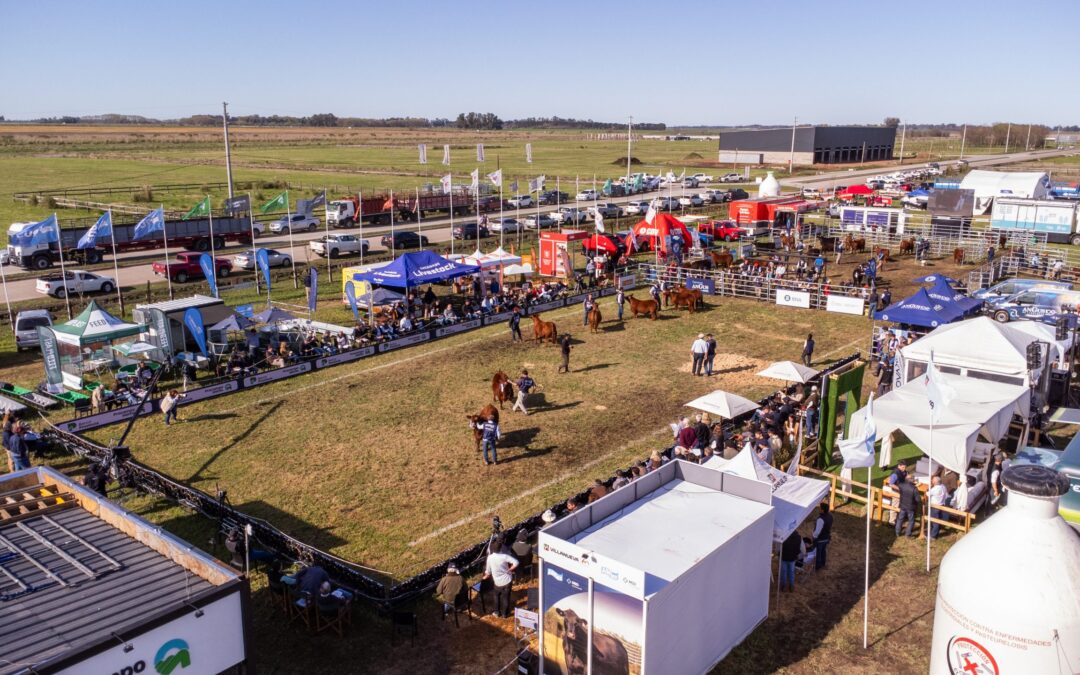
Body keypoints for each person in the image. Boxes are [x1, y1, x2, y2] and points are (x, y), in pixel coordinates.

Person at [483, 542, 518, 619]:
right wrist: (510, 569)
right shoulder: (504, 556)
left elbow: (488, 571)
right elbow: (516, 562)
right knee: (506, 597)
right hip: (507, 580)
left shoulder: (490, 558)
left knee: (496, 596)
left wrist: (485, 576)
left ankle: (496, 612)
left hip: (497, 582)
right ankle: (505, 614)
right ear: (500, 549)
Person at [895, 473, 919, 537]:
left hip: (902, 505)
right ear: (910, 480)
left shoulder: (901, 485)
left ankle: (897, 532)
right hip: (911, 507)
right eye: (913, 479)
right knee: (911, 520)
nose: (914, 480)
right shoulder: (914, 489)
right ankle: (908, 534)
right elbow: (918, 499)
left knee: (900, 519)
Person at [812, 503, 832, 570]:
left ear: (822, 510)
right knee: (824, 551)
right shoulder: (830, 516)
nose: (819, 509)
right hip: (826, 537)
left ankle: (818, 566)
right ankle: (823, 563)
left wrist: (813, 537)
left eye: (820, 508)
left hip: (820, 539)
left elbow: (817, 531)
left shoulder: (820, 519)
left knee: (818, 553)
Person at [928, 475, 947, 539]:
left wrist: (930, 488)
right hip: (941, 505)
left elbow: (928, 494)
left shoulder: (935, 489)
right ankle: (935, 533)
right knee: (938, 520)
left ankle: (933, 536)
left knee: (935, 521)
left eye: (932, 480)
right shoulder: (943, 486)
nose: (931, 481)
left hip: (935, 506)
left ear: (935, 482)